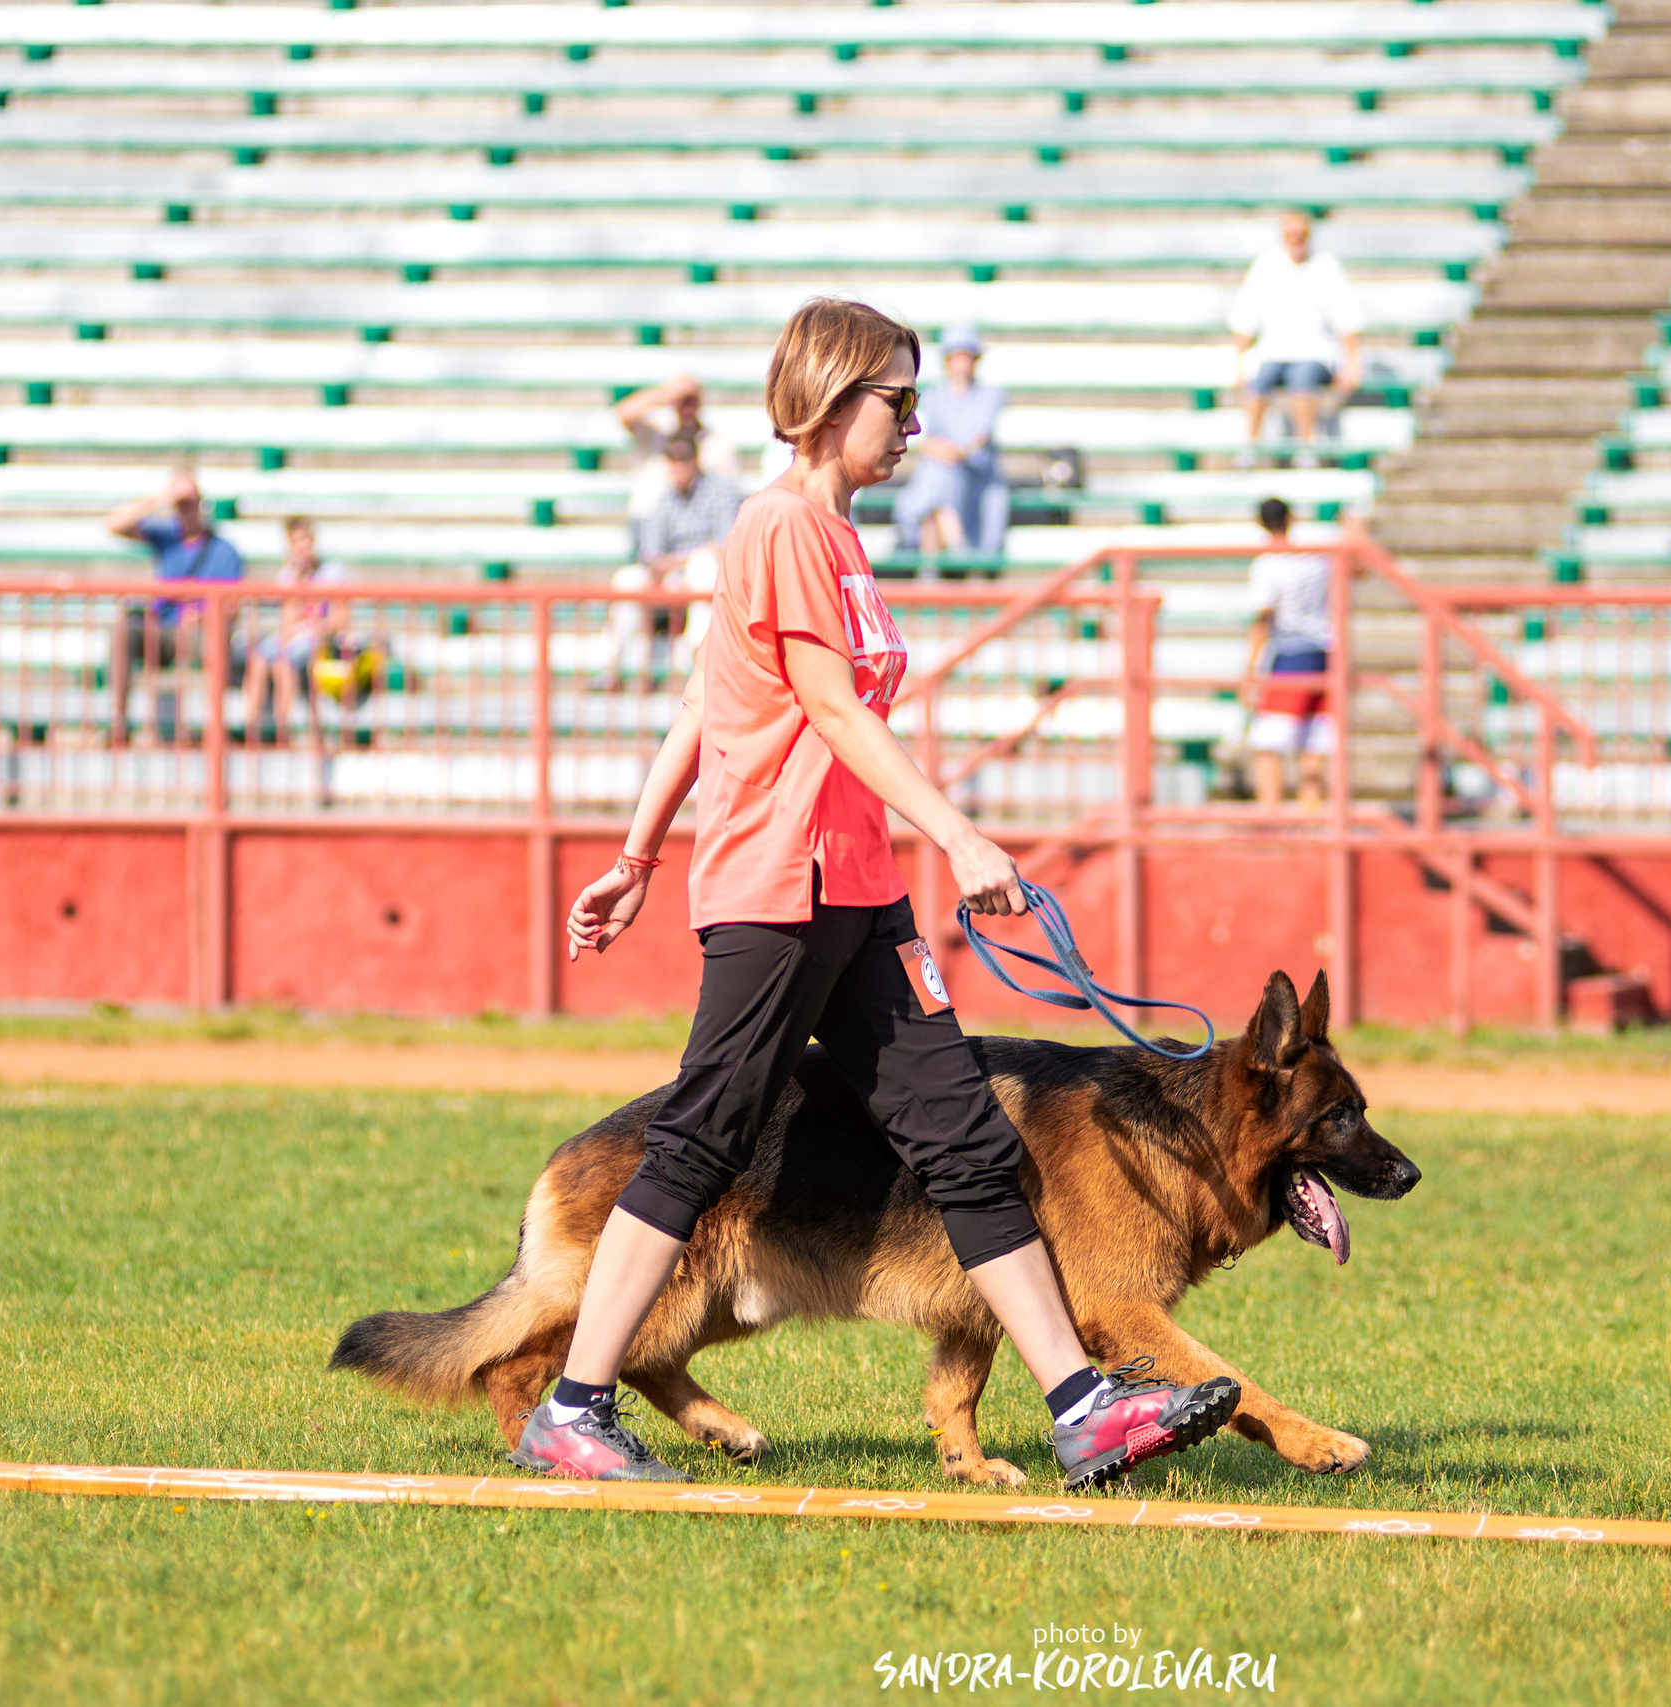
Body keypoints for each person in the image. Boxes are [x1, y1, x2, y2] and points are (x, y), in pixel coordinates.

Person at [517, 297, 1244, 1486]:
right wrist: (957, 835)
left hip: (854, 890)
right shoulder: (780, 527)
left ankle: (1081, 1407)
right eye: (896, 401)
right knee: (701, 1138)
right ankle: (574, 1409)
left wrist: (637, 855)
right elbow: (830, 710)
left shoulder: (838, 537)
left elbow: (705, 703)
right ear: (825, 401)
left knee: (966, 1141)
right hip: (775, 885)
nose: (915, 421)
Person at [102, 467, 245, 748]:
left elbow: (233, 605)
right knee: (123, 630)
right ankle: (118, 722)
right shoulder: (166, 537)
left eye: (190, 502)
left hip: (197, 634)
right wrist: (161, 497)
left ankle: (214, 728)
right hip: (162, 629)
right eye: (180, 504)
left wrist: (205, 615)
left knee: (214, 643)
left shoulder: (224, 550)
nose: (185, 510)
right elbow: (113, 524)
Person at [1227, 211, 1362, 468]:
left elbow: (1347, 318)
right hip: (1274, 352)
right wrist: (1238, 363)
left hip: (1316, 352)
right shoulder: (1266, 265)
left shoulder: (1326, 266)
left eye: (1302, 235)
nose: (1296, 241)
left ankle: (1306, 447)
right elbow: (1245, 318)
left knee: (1302, 379)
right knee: (1259, 382)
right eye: (1291, 235)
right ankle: (1250, 447)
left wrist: (1352, 365)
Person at [610, 433, 742, 681]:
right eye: (672, 459)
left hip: (710, 576)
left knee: (702, 566)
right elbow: (650, 553)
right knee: (626, 579)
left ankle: (699, 657)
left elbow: (728, 545)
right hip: (673, 576)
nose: (678, 465)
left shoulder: (721, 490)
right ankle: (612, 666)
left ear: (696, 460)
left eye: (684, 458)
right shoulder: (663, 497)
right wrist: (666, 565)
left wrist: (678, 560)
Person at [892, 322, 1010, 568]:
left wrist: (952, 452)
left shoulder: (990, 395)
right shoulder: (932, 395)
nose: (961, 363)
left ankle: (933, 571)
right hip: (942, 472)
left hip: (971, 477)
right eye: (957, 357)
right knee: (939, 484)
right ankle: (957, 551)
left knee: (938, 483)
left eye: (966, 357)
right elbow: (924, 439)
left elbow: (978, 439)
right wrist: (945, 451)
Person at [1241, 497, 1334, 809]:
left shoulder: (1269, 564)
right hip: (1324, 650)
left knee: (1267, 743)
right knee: (1314, 740)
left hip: (1292, 655)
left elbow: (1262, 620)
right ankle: (1311, 813)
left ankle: (1271, 812)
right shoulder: (1315, 559)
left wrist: (1250, 669)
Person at [242, 516, 351, 750]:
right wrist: (299, 584)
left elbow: (339, 619)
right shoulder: (288, 575)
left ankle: (283, 728)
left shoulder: (334, 572)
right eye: (297, 542)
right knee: (259, 657)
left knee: (284, 660)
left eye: (306, 540)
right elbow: (288, 620)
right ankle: (251, 726)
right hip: (297, 634)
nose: (303, 547)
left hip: (322, 636)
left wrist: (313, 627)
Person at [615, 373, 742, 536]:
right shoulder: (656, 431)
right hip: (649, 519)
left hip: (696, 528)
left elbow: (726, 496)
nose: (686, 406)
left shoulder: (718, 444)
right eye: (682, 400)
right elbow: (623, 413)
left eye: (691, 399)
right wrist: (665, 393)